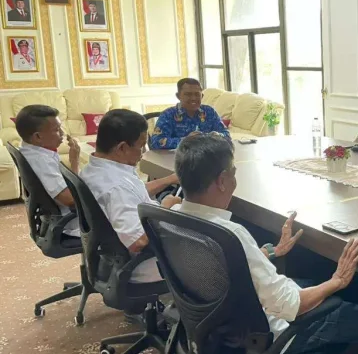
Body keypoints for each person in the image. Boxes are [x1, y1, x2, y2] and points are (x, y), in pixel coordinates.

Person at [172, 133, 358, 354]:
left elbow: (222, 265)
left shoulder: (172, 218)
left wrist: (271, 251)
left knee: (321, 286)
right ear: (222, 181)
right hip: (274, 331)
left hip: (219, 327)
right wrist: (337, 280)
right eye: (234, 173)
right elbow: (292, 305)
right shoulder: (230, 235)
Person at [80, 109, 181, 283]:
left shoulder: (95, 169)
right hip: (142, 264)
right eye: (141, 146)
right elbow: (138, 242)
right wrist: (166, 208)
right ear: (122, 148)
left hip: (111, 258)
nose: (143, 152)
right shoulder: (117, 188)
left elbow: (134, 191)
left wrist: (170, 179)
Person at [15, 105, 81, 236]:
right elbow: (70, 199)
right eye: (56, 130)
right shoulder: (41, 161)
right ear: (38, 137)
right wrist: (75, 162)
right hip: (72, 222)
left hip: (56, 217)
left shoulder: (28, 150)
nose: (62, 133)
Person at [150, 78, 230, 150]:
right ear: (178, 96)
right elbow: (156, 141)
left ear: (202, 96)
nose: (193, 98)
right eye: (188, 94)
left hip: (206, 157)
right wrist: (186, 141)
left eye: (197, 94)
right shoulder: (168, 115)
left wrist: (214, 136)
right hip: (177, 159)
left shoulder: (209, 112)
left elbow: (226, 134)